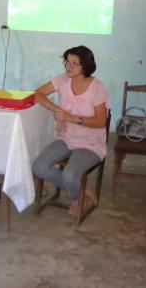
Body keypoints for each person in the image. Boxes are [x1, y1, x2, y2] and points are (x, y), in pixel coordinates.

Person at [32, 46, 109, 215]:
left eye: (75, 63)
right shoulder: (61, 80)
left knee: (69, 175)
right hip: (66, 138)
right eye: (67, 62)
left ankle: (74, 198)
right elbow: (37, 94)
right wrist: (57, 110)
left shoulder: (97, 87)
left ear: (85, 66)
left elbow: (101, 121)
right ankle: (81, 190)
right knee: (39, 167)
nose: (69, 66)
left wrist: (72, 118)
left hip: (90, 143)